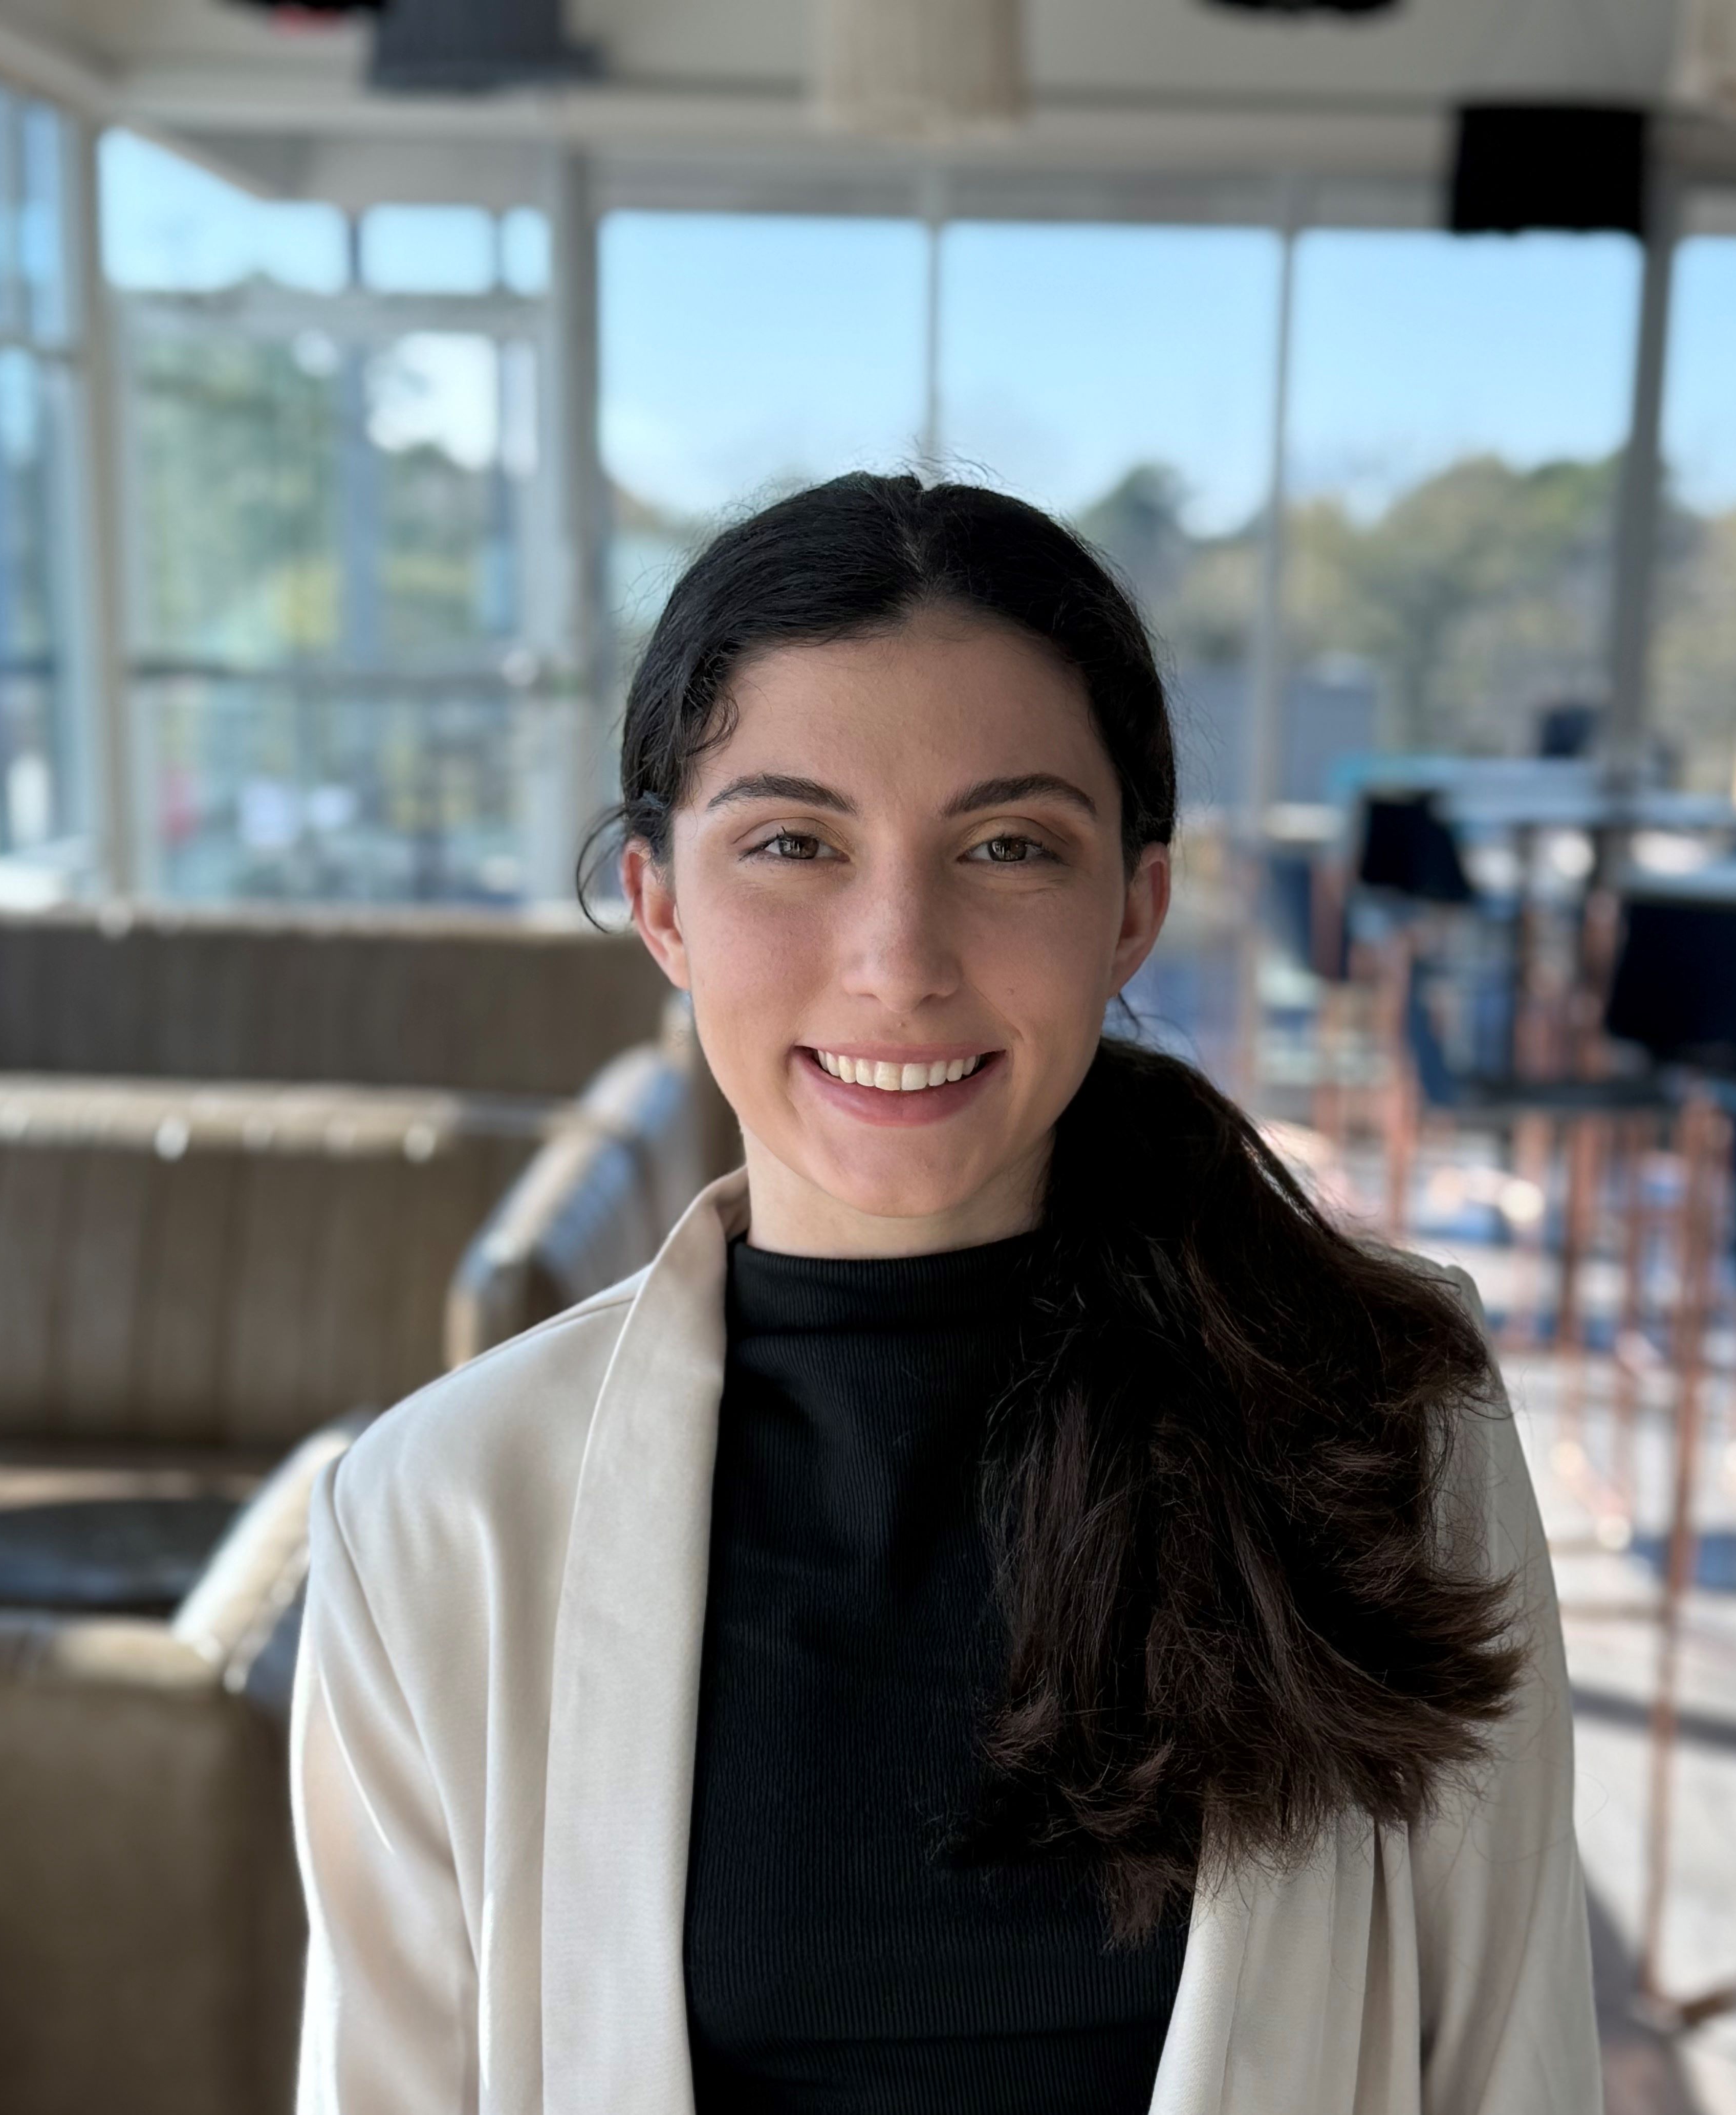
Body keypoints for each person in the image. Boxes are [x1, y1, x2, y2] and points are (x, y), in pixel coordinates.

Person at [291, 472, 1601, 2114]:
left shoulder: (1388, 1415)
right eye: (792, 842)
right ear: (659, 902)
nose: (898, 958)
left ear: (1132, 908)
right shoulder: (437, 1514)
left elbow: (1514, 2067)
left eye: (1007, 846)